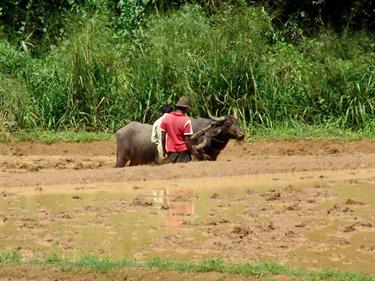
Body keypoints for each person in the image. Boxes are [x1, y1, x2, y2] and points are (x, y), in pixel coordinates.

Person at [160, 96, 193, 163]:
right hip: (183, 152)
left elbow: (163, 136)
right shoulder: (186, 121)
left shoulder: (166, 118)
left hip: (171, 151)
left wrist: (164, 149)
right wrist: (192, 153)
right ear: (185, 108)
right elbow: (187, 140)